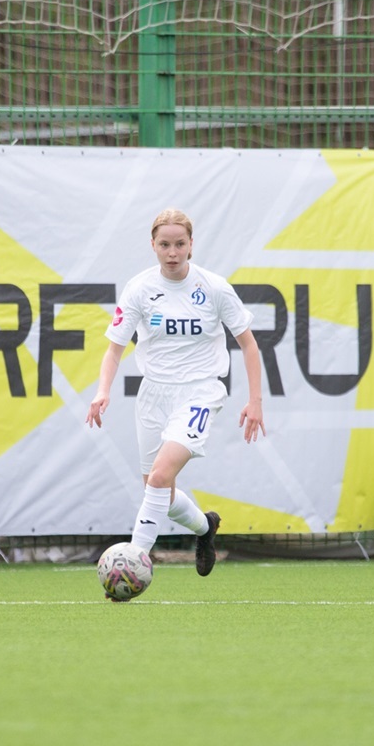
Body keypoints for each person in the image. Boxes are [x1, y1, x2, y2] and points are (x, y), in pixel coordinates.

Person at [87, 208, 265, 586]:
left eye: (179, 244)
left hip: (201, 390)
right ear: (153, 245)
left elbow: (249, 346)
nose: (172, 252)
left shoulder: (214, 288)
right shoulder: (139, 288)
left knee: (161, 475)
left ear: (191, 245)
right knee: (156, 487)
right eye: (164, 244)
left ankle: (132, 565)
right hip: (153, 394)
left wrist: (255, 402)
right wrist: (103, 390)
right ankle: (205, 528)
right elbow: (114, 349)